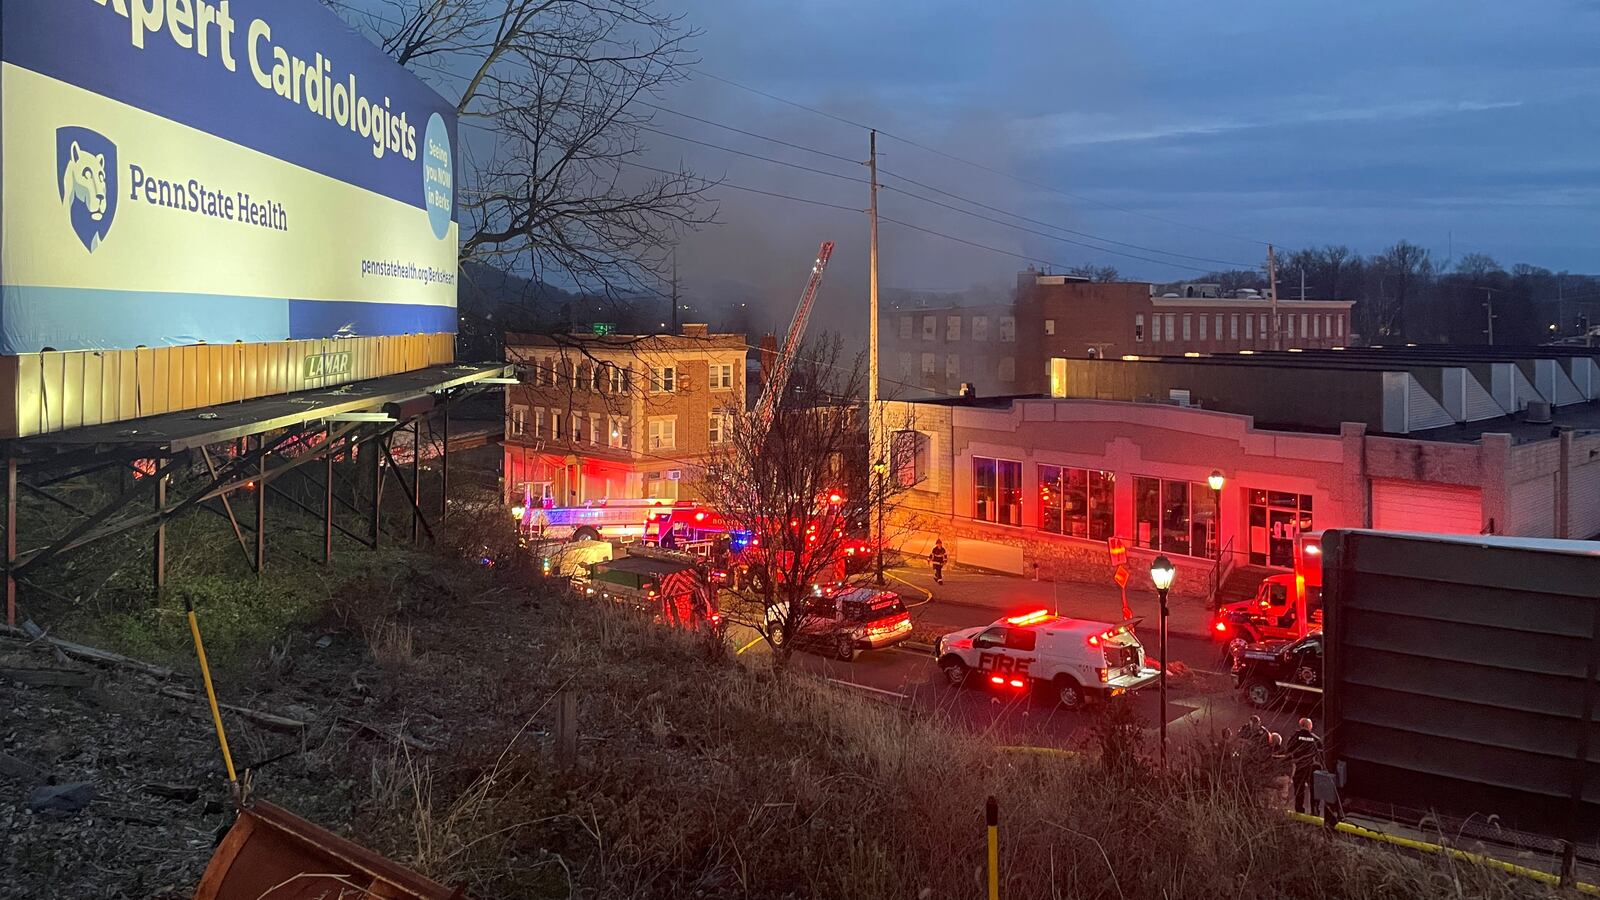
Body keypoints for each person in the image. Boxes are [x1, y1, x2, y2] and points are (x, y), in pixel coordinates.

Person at [1288, 717, 1324, 815]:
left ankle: (1299, 811)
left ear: (1300, 725)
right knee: (1314, 791)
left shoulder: (1295, 737)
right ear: (1310, 727)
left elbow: (1288, 751)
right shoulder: (1316, 740)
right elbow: (1321, 757)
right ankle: (1315, 811)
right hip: (1312, 768)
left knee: (1299, 790)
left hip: (1299, 767)